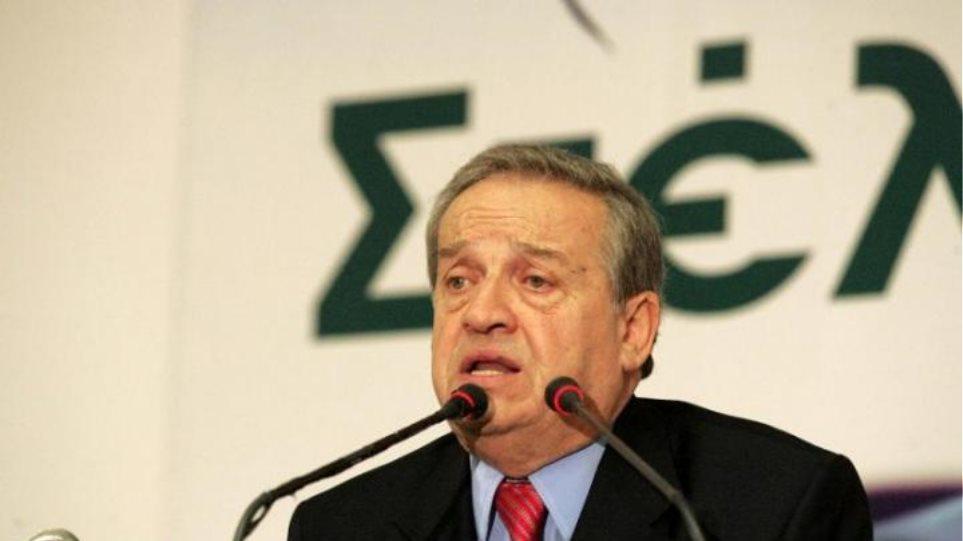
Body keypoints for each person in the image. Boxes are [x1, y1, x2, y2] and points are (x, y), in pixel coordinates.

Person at [289, 145, 872, 540]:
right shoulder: (341, 526)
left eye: (536, 281)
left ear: (633, 329)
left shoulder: (773, 507)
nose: (481, 314)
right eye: (458, 281)